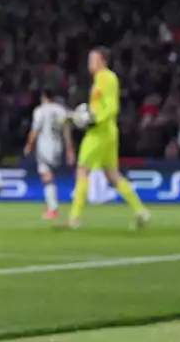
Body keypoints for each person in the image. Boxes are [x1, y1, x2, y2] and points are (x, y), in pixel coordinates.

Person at [68, 47, 151, 230]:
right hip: (107, 132)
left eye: (93, 60)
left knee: (82, 171)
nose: (90, 64)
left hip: (100, 132)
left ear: (102, 61)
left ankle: (75, 217)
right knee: (113, 175)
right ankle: (141, 211)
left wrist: (93, 119)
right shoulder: (100, 79)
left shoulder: (107, 78)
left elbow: (112, 107)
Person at [24, 87, 74, 220]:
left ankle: (53, 208)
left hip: (45, 147)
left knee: (46, 176)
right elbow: (66, 132)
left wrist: (29, 145)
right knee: (49, 175)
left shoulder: (40, 110)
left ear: (44, 97)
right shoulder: (62, 110)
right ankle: (50, 203)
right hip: (58, 146)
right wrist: (69, 150)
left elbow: (35, 130)